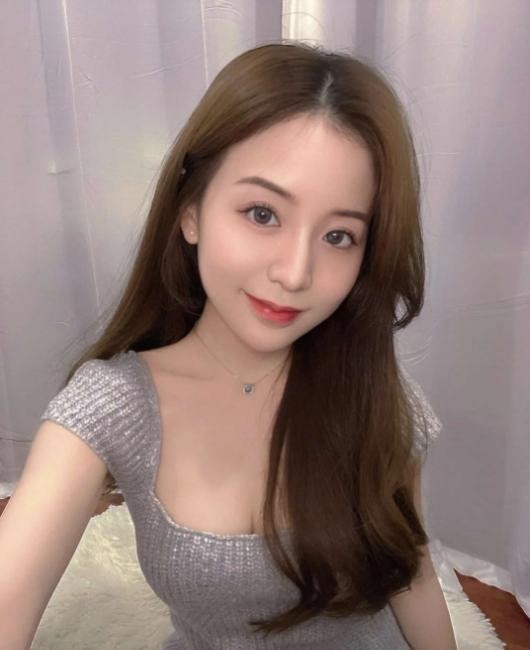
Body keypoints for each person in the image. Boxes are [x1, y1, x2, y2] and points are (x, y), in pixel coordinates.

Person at [0, 40, 457, 649]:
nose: (295, 273)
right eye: (263, 213)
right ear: (190, 211)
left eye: (339, 236)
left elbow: (411, 572)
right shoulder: (113, 407)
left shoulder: (376, 394)